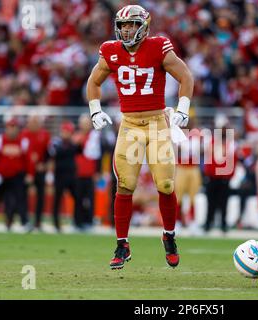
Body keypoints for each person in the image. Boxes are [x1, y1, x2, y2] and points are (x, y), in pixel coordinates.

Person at [86, 5, 194, 269]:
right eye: (123, 25)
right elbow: (94, 82)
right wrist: (94, 110)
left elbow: (185, 75)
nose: (127, 30)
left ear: (143, 26)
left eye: (132, 24)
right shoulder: (110, 51)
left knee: (166, 184)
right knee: (125, 184)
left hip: (157, 122)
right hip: (130, 124)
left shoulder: (158, 46)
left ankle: (169, 236)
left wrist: (183, 109)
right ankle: (122, 244)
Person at [0, 115, 33, 231]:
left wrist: (30, 174)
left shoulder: (23, 141)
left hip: (17, 175)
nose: (12, 129)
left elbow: (28, 160)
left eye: (14, 127)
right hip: (2, 176)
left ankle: (24, 222)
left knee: (21, 199)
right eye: (10, 127)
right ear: (6, 128)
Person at [21, 113, 51, 231]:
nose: (33, 124)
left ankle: (38, 221)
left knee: (41, 196)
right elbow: (22, 153)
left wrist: (43, 164)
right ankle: (25, 220)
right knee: (22, 195)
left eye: (36, 122)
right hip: (27, 170)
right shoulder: (24, 135)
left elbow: (48, 152)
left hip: (39, 170)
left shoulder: (44, 135)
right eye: (32, 122)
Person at [48, 121, 79, 232]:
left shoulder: (72, 143)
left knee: (77, 198)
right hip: (60, 174)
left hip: (71, 174)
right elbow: (56, 152)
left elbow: (79, 150)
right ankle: (56, 224)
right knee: (57, 199)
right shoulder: (57, 142)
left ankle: (76, 221)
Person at [73, 114, 102, 230]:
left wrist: (97, 172)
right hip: (78, 173)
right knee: (78, 198)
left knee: (90, 199)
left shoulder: (95, 136)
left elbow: (98, 155)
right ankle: (77, 221)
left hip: (90, 173)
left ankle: (89, 221)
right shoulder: (76, 136)